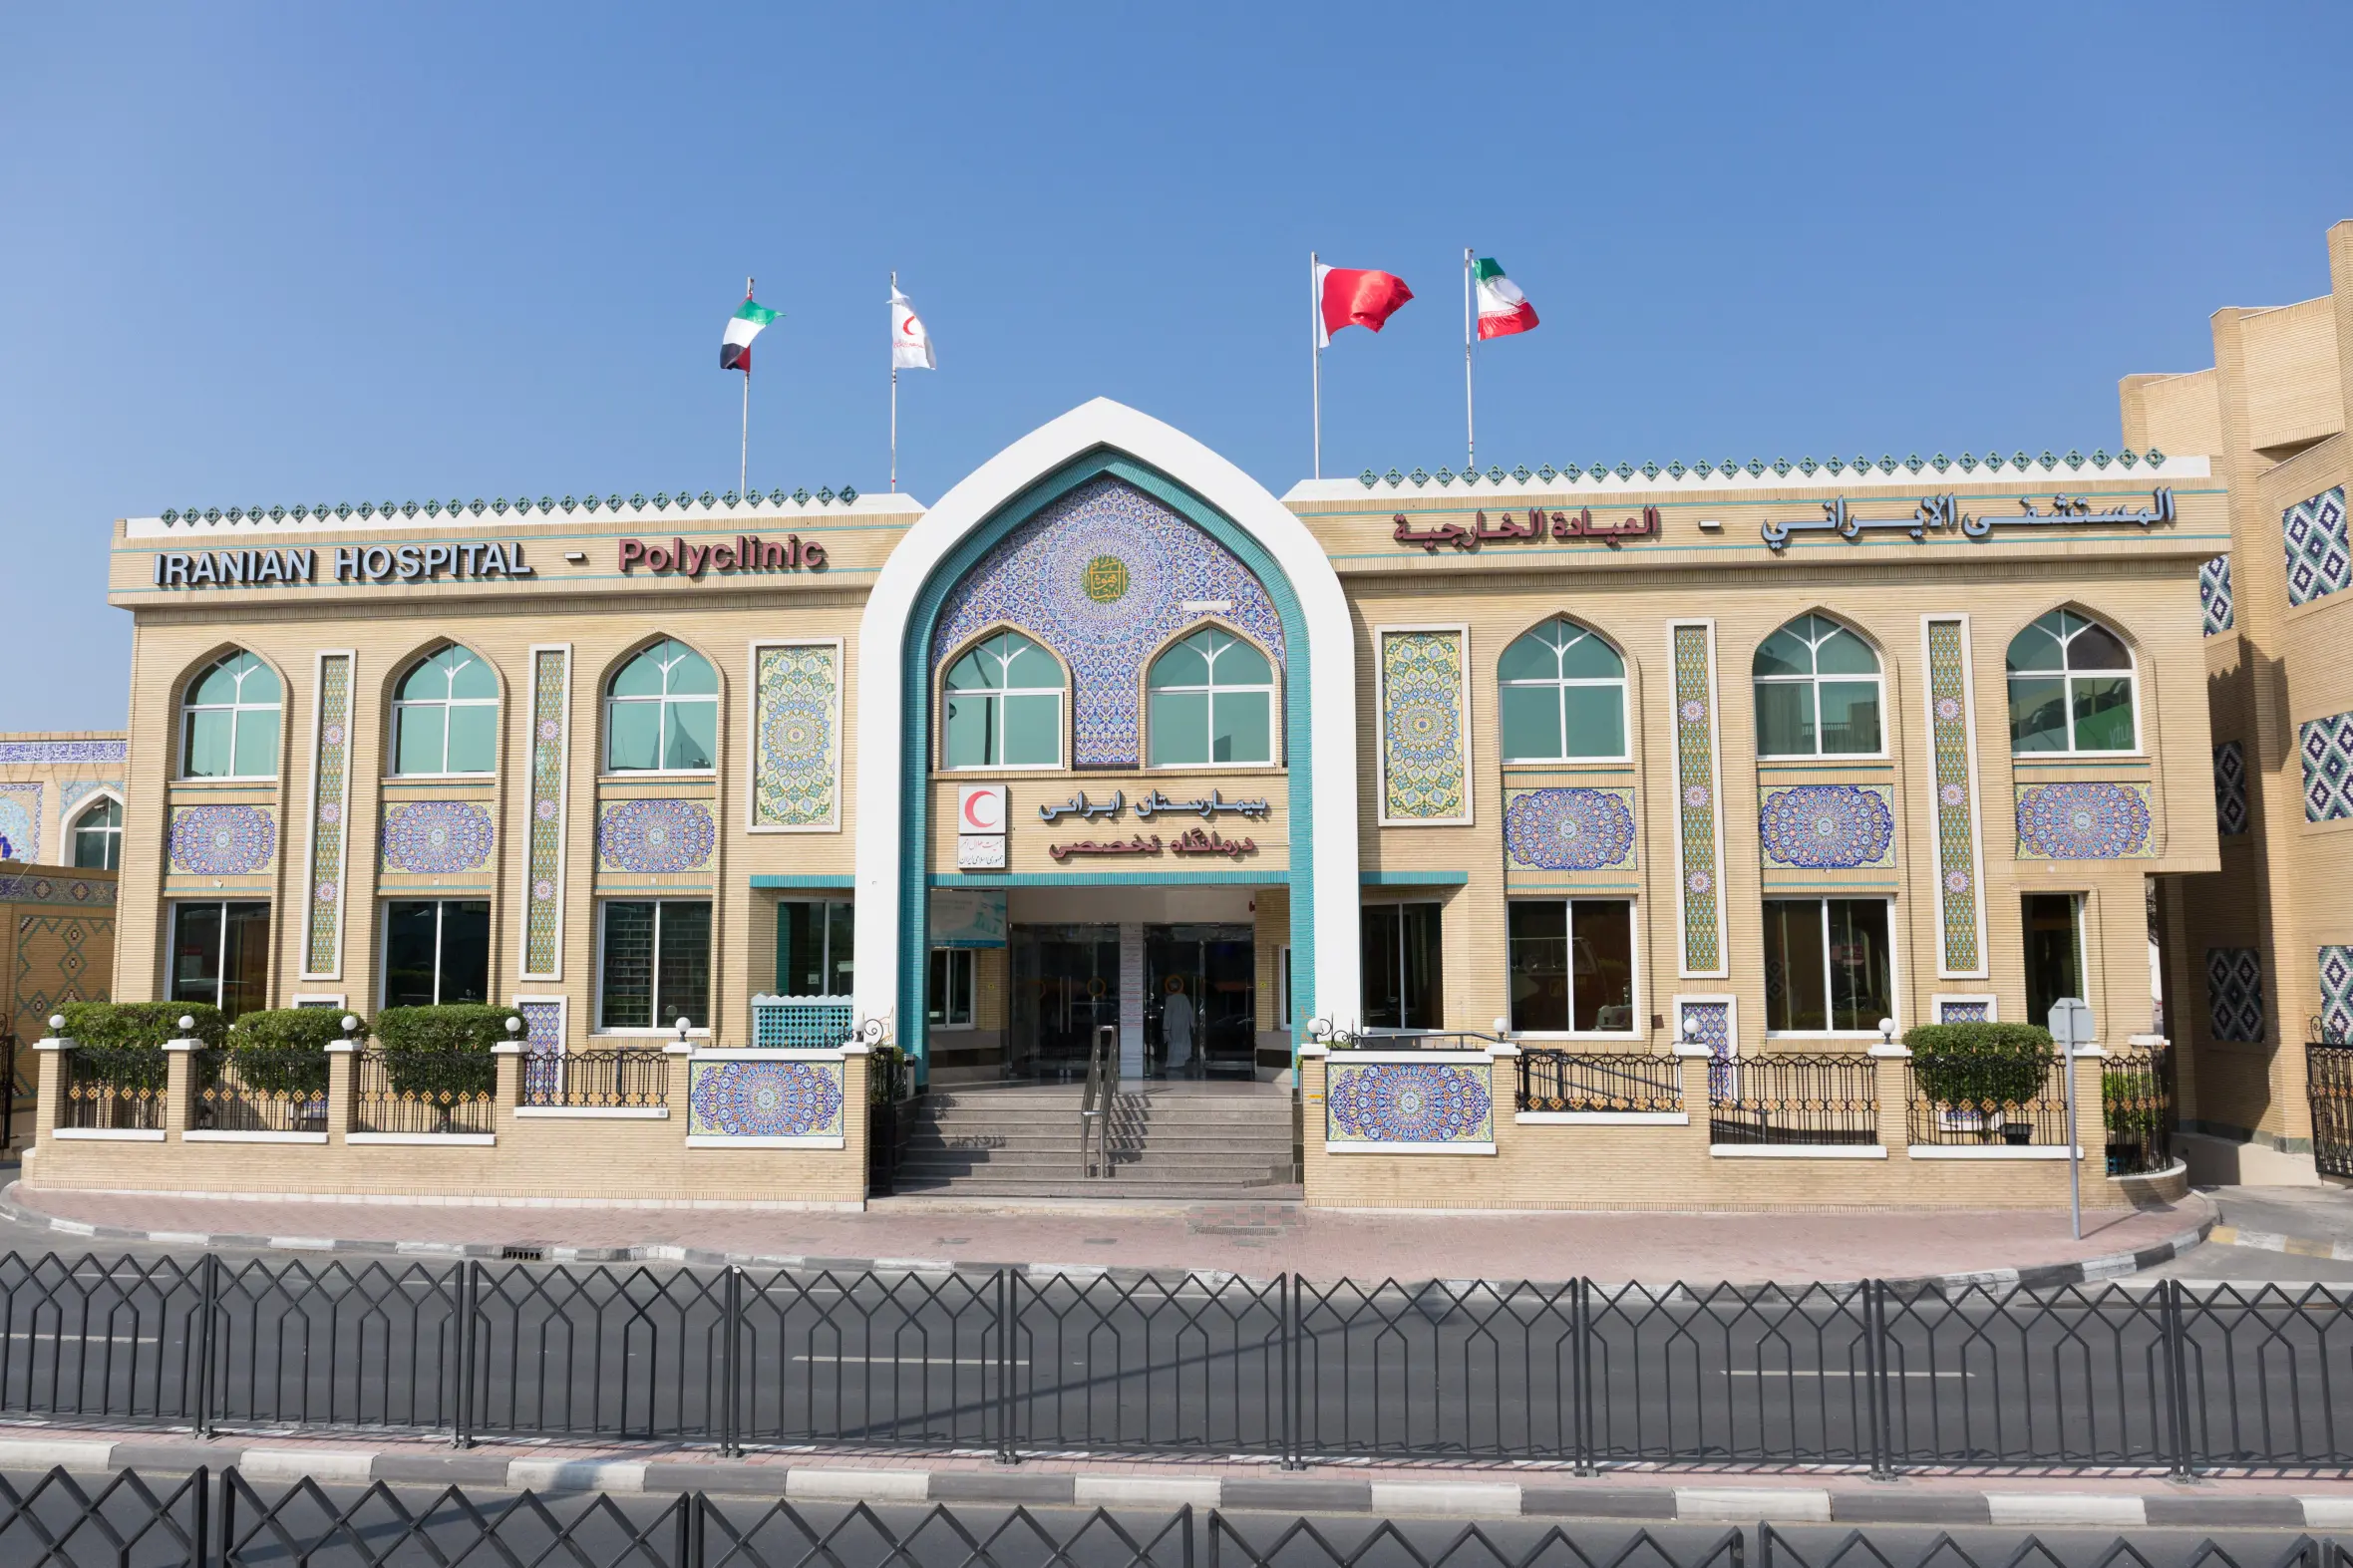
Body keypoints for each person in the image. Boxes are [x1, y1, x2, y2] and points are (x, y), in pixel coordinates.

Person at [1162, 979, 1194, 1077]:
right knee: (1183, 1040)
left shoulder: (1169, 999)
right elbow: (1190, 1012)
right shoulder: (1184, 998)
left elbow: (1167, 1016)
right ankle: (1182, 1060)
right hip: (1184, 1023)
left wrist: (1166, 1028)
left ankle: (1173, 1062)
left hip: (1173, 1024)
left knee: (1173, 1043)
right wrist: (1193, 1024)